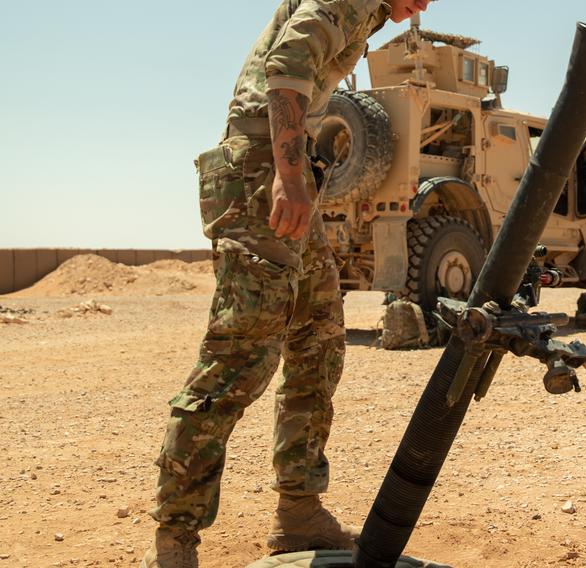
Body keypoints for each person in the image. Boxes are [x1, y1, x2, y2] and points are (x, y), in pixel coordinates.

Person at [142, 1, 431, 566]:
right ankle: (175, 536)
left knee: (318, 343)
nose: (420, 7)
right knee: (238, 360)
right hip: (260, 175)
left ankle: (298, 509)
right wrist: (289, 176)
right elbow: (288, 64)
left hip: (281, 176)